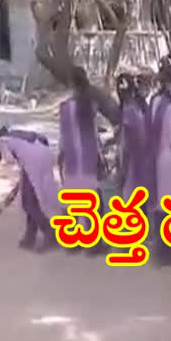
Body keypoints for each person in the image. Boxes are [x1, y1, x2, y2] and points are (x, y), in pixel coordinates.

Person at [58, 67, 105, 256]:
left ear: (71, 84)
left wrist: (60, 158)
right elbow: (94, 135)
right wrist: (100, 158)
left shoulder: (64, 108)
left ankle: (73, 242)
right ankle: (94, 245)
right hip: (87, 160)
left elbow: (63, 136)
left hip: (71, 160)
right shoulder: (90, 105)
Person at [147, 56, 171, 267]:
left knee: (161, 207)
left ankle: (160, 252)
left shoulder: (154, 101)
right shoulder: (170, 107)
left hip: (157, 159)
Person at [0, 127, 60, 253]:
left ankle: (49, 232)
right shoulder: (21, 135)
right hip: (46, 155)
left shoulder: (2, 140)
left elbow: (9, 160)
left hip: (33, 162)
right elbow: (43, 141)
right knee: (31, 200)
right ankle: (30, 236)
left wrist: (0, 152)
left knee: (28, 202)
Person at [116, 73, 149, 206]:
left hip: (132, 165)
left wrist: (123, 170)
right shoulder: (139, 107)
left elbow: (129, 144)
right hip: (141, 162)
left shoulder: (129, 111)